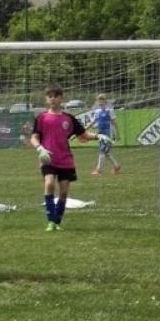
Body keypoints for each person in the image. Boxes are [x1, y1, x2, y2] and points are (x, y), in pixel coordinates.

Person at [30, 85, 101, 232]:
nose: (53, 99)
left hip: (65, 160)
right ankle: (50, 222)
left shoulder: (69, 118)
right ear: (46, 99)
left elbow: (83, 136)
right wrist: (40, 148)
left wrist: (98, 136)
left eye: (56, 96)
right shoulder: (41, 118)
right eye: (50, 96)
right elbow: (34, 137)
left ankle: (57, 222)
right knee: (49, 184)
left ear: (61, 99)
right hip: (47, 158)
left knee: (63, 192)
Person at [90, 94, 121, 175]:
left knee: (102, 151)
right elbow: (93, 122)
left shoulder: (109, 111)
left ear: (105, 101)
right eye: (99, 100)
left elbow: (114, 123)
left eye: (102, 100)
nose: (100, 102)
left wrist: (118, 134)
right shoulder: (97, 112)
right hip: (100, 133)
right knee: (106, 153)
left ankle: (98, 169)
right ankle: (116, 165)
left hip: (107, 133)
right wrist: (84, 129)